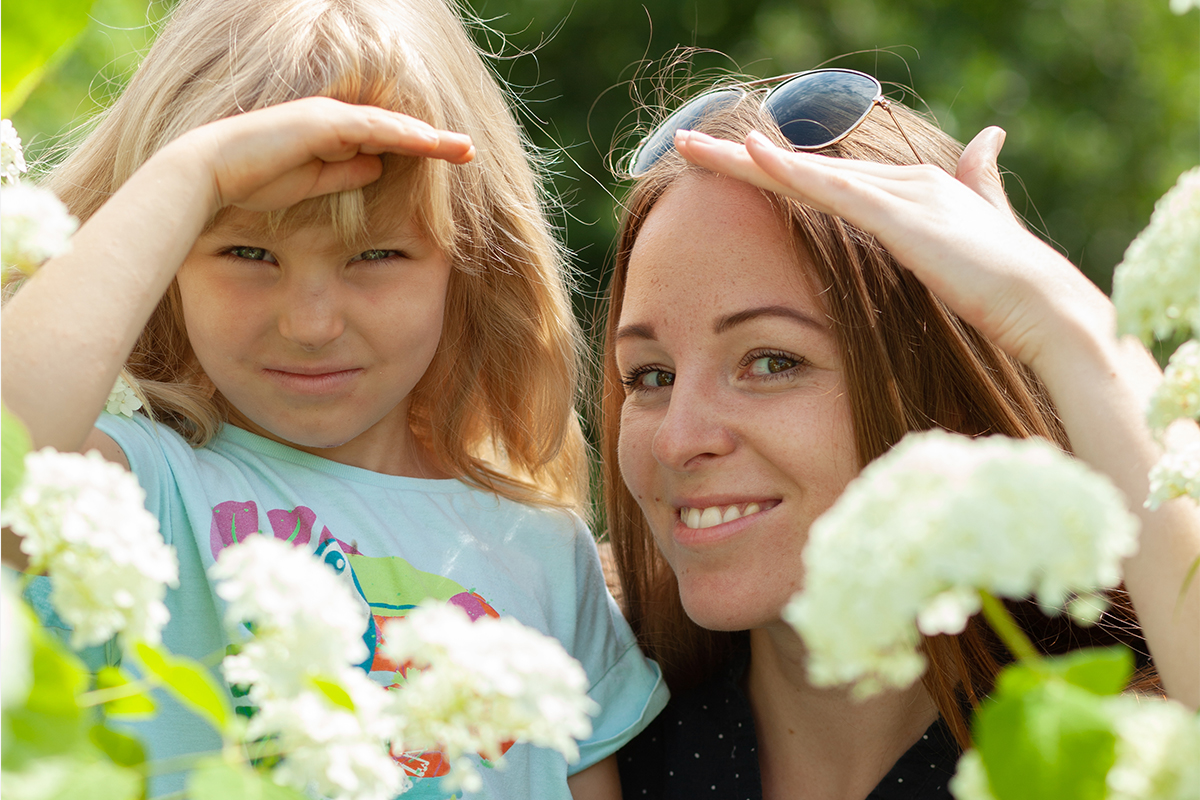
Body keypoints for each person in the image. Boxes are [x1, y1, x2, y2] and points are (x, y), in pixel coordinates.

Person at [0, 0, 669, 796]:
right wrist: (192, 173)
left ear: (471, 260)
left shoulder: (543, 552)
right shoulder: (134, 488)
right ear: (168, 259)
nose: (311, 323)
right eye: (248, 250)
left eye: (376, 254)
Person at [598, 68, 1200, 799]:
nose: (676, 439)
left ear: (938, 390)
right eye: (650, 376)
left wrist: (1071, 328)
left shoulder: (1119, 752)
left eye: (771, 361)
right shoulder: (572, 714)